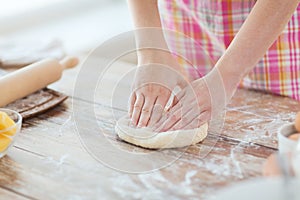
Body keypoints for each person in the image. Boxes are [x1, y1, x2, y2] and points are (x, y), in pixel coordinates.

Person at [127, 0, 300, 132]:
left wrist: (228, 74)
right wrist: (151, 51)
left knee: (281, 131)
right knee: (192, 112)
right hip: (188, 16)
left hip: (270, 19)